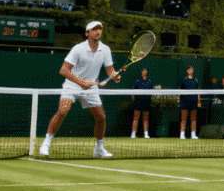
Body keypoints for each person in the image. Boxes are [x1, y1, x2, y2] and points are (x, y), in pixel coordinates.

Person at [38, 20, 120, 158]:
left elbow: (110, 71)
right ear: (87, 33)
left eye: (100, 29)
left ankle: (99, 148)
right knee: (63, 110)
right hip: (72, 85)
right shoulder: (78, 49)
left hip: (91, 87)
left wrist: (115, 77)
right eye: (94, 29)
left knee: (101, 117)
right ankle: (46, 143)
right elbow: (63, 70)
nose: (98, 31)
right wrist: (81, 82)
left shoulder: (105, 49)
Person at [178, 65, 201, 139]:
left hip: (194, 101)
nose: (191, 71)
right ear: (187, 71)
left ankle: (193, 134)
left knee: (193, 119)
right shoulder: (184, 80)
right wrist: (179, 100)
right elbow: (180, 91)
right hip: (185, 102)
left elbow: (198, 91)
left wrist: (199, 101)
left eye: (192, 69)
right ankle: (182, 134)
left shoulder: (196, 80)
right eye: (190, 69)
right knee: (183, 119)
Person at [129, 67, 153, 139]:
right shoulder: (137, 81)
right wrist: (134, 100)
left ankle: (146, 134)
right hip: (138, 102)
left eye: (145, 71)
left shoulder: (150, 81)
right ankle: (133, 134)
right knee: (136, 118)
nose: (144, 72)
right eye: (143, 71)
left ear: (147, 72)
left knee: (146, 118)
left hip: (146, 101)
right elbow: (133, 92)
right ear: (141, 72)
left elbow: (152, 91)